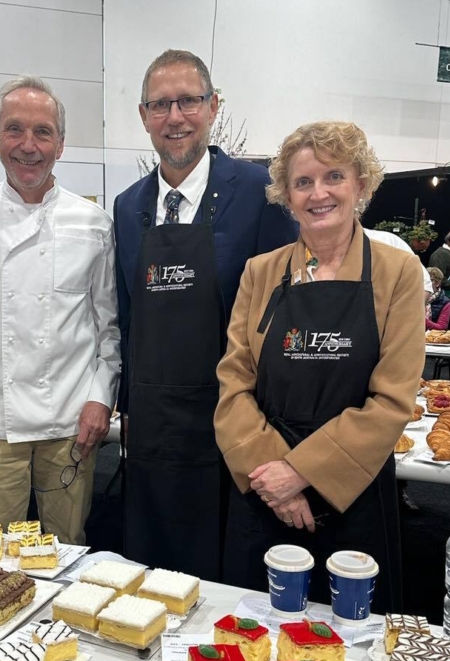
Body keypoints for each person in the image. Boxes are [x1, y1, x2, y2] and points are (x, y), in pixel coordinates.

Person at [214, 121, 425, 613]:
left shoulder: (398, 272)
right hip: (264, 486)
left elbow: (393, 400)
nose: (318, 193)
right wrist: (277, 480)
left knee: (349, 643)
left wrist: (301, 471)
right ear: (287, 196)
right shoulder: (260, 271)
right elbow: (233, 381)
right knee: (254, 639)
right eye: (303, 182)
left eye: (334, 176)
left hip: (352, 488)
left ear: (361, 185)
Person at [113, 49, 297, 580]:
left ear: (214, 106)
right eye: (160, 105)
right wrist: (127, 409)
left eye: (189, 101)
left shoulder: (261, 194)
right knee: (151, 574)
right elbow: (127, 317)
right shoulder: (129, 206)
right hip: (152, 426)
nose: (175, 117)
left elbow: (283, 315)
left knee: (224, 574)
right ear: (144, 115)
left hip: (234, 421)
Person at [0, 76, 120, 545]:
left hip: (70, 417)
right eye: (14, 129)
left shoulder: (92, 222)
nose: (29, 145)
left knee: (67, 547)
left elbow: (110, 327)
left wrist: (100, 399)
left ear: (61, 144)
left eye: (43, 132)